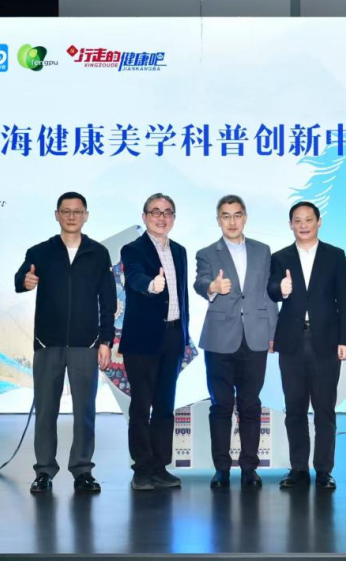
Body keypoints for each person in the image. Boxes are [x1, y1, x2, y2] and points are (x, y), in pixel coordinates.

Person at [14, 191, 115, 494]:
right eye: (66, 211)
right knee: (46, 411)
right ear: (57, 215)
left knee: (85, 411)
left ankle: (82, 471)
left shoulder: (98, 253)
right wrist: (24, 281)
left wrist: (106, 340)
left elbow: (108, 301)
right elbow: (21, 277)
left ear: (86, 216)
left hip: (87, 344)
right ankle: (44, 471)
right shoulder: (40, 251)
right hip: (48, 344)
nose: (72, 216)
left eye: (77, 211)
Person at [267, 201, 346, 490]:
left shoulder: (335, 255)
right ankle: (298, 469)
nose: (303, 225)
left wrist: (345, 339)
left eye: (308, 219)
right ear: (290, 225)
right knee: (294, 409)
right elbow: (270, 290)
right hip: (292, 342)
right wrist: (280, 289)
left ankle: (324, 470)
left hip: (326, 342)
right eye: (297, 220)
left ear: (319, 222)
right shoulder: (280, 257)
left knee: (324, 411)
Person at [193, 194, 278, 489]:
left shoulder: (262, 250)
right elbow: (200, 282)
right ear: (218, 220)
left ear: (245, 217)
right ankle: (221, 469)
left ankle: (249, 468)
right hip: (219, 339)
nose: (232, 221)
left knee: (250, 405)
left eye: (237, 215)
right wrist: (212, 287)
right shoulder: (207, 253)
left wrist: (272, 332)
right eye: (226, 216)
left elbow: (268, 295)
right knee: (221, 406)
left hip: (255, 337)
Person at [118, 193, 190, 491]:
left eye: (167, 212)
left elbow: (182, 296)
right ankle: (142, 469)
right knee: (141, 406)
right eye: (155, 212)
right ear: (144, 216)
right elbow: (135, 277)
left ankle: (160, 466)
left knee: (164, 406)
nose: (162, 217)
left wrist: (184, 335)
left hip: (173, 337)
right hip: (142, 340)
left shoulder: (180, 251)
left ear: (174, 217)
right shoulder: (132, 249)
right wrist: (151, 284)